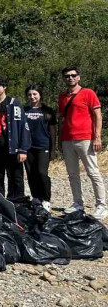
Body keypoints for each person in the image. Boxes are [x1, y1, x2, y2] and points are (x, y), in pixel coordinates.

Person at [57, 66, 106, 219]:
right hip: (67, 139)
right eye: (67, 76)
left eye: (73, 75)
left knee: (93, 172)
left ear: (78, 77)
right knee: (72, 174)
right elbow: (62, 119)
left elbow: (98, 115)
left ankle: (102, 205)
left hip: (85, 138)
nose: (70, 78)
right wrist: (59, 139)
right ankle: (78, 203)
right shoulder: (62, 96)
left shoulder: (88, 93)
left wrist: (97, 136)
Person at [0, 76, 31, 200]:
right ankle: (0, 204)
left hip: (12, 148)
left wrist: (23, 149)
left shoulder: (14, 104)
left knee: (15, 177)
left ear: (4, 87)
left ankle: (17, 203)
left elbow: (23, 126)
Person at [24, 85, 56, 211]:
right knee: (31, 173)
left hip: (43, 146)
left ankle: (46, 199)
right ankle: (36, 197)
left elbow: (53, 130)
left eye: (35, 94)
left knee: (42, 173)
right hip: (27, 147)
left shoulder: (47, 110)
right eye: (29, 94)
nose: (32, 97)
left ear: (40, 95)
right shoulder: (24, 110)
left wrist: (53, 149)